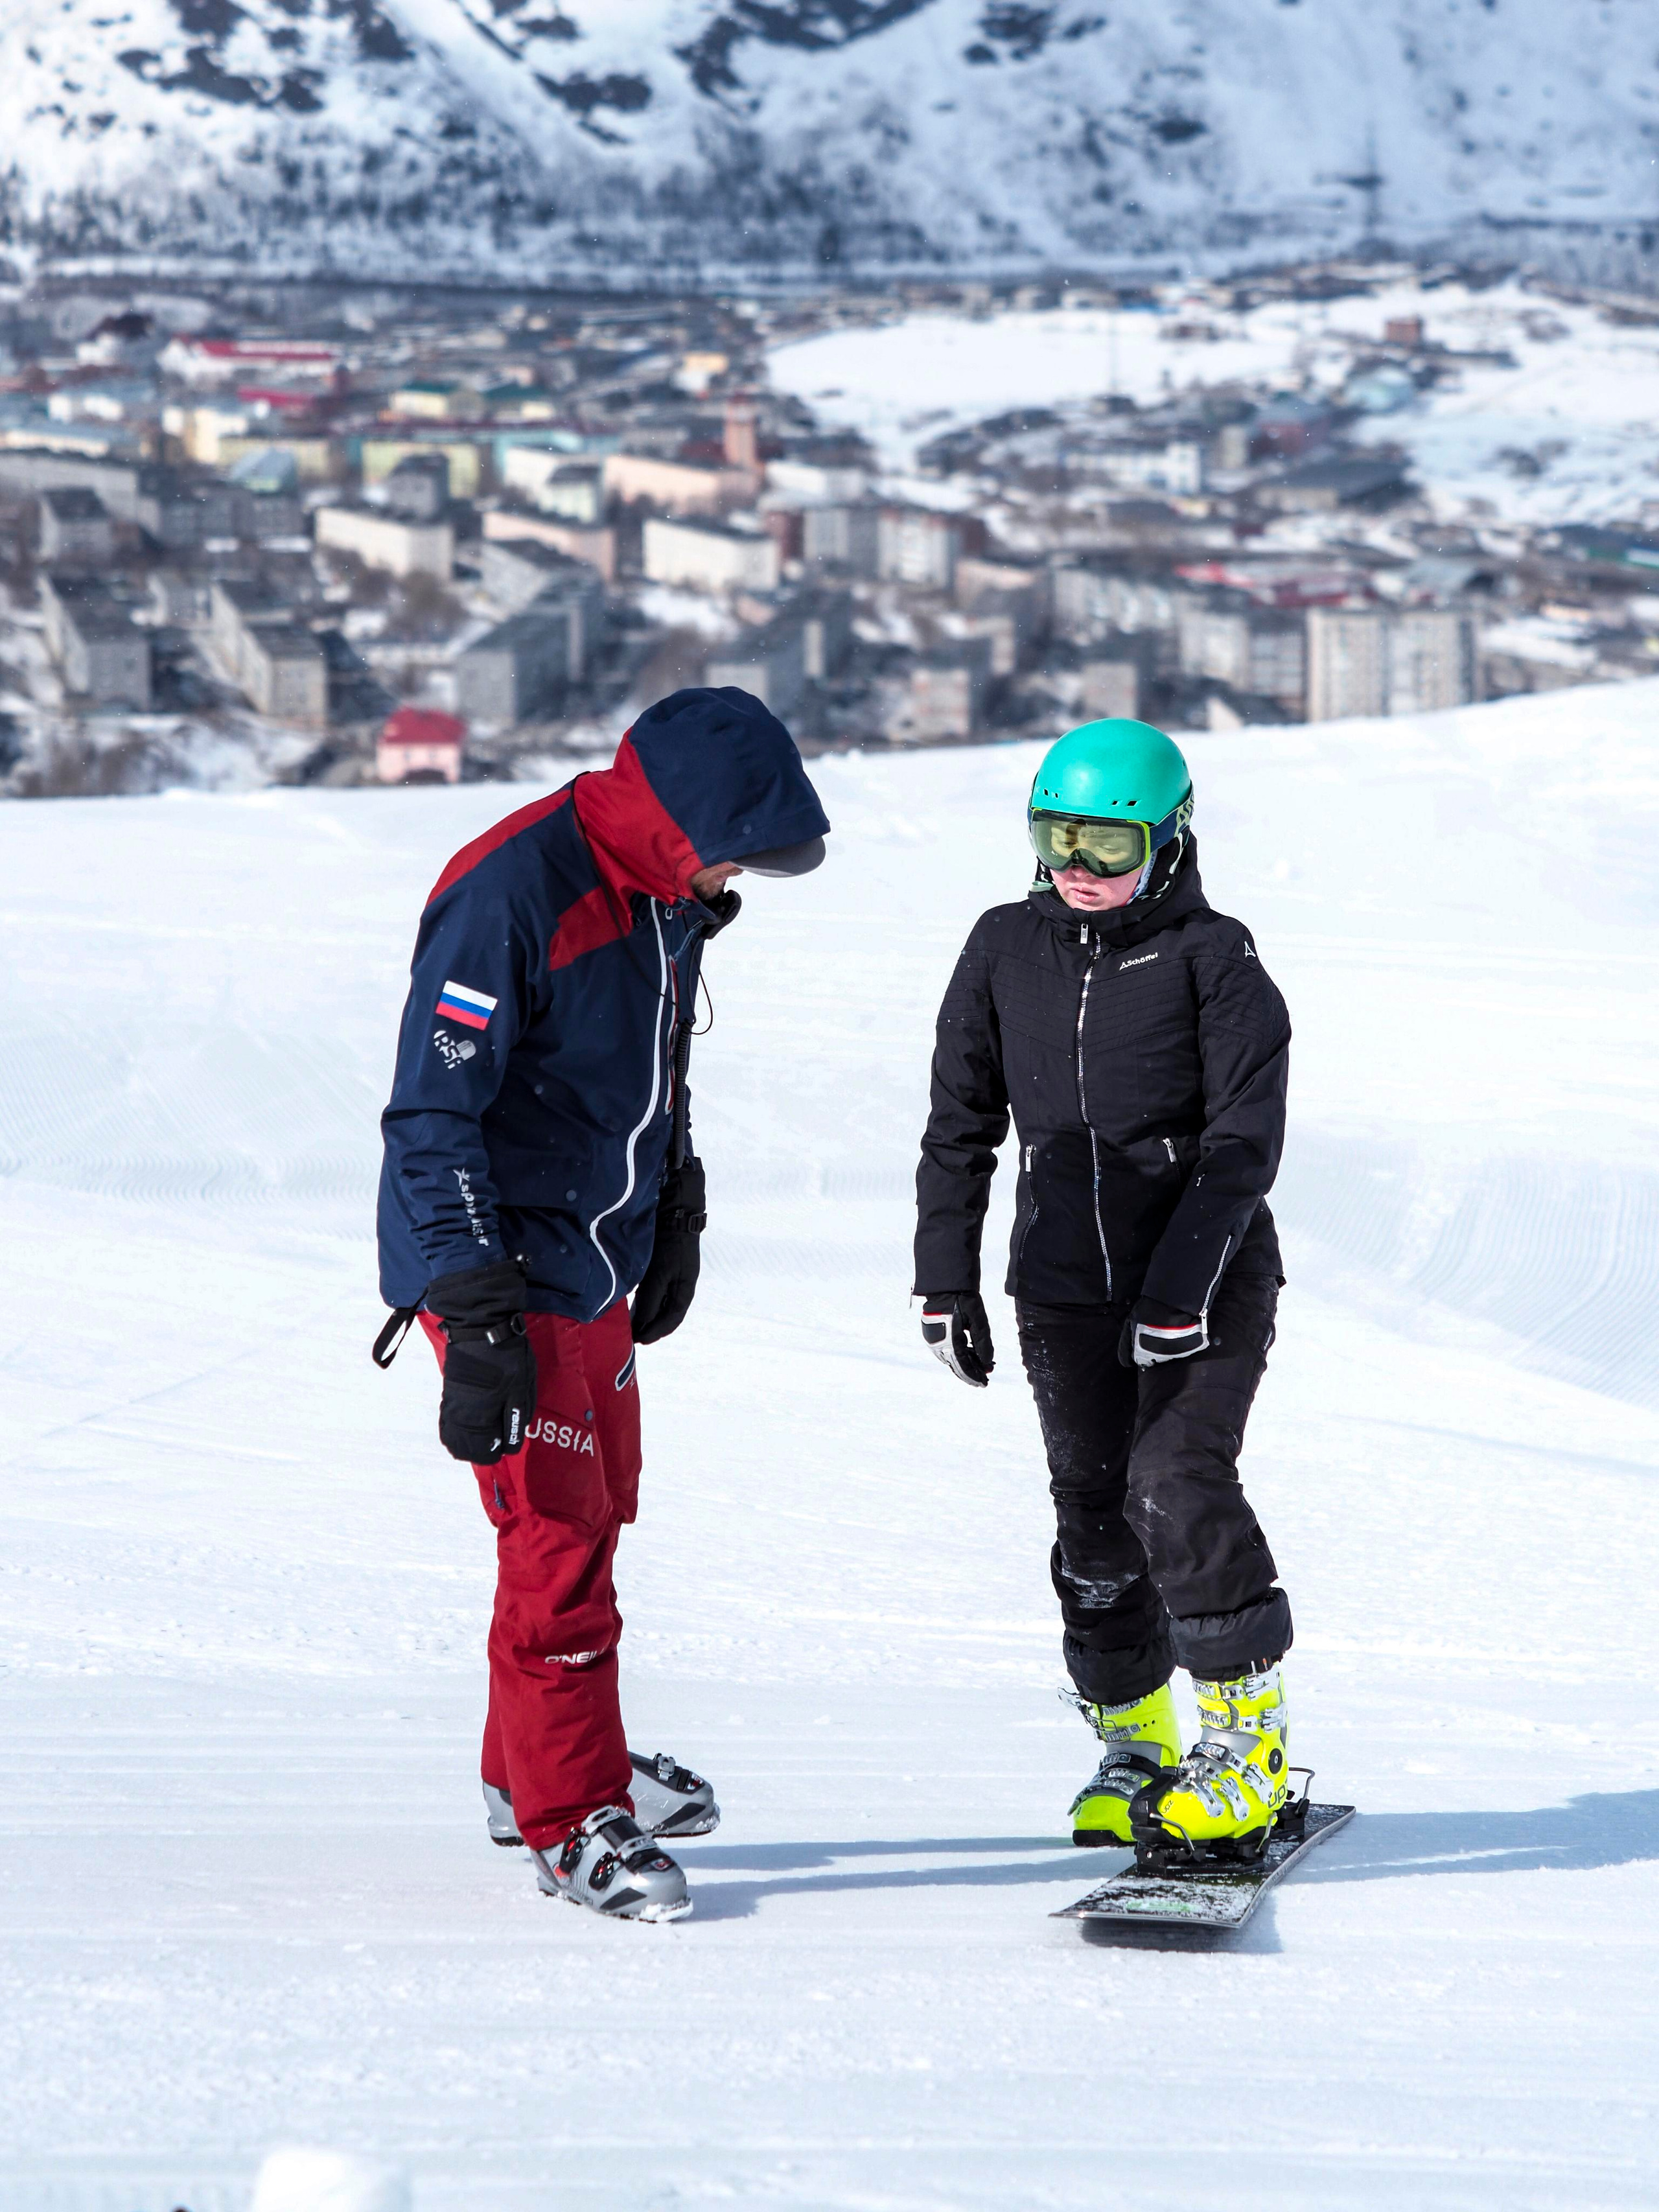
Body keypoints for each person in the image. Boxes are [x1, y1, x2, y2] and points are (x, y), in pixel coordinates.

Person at [375, 687, 830, 1921]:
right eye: (731, 846)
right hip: (501, 1268)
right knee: (557, 1536)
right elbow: (431, 1117)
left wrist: (672, 1203)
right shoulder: (511, 895)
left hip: (593, 1257)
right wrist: (472, 1311)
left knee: (597, 1505)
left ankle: (524, 1767)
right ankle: (572, 1818)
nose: (738, 874)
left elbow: (648, 1070)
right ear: (673, 819)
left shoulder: (666, 896)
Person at [913, 717, 1294, 1859]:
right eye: (1059, 835)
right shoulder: (1000, 948)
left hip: (1207, 1281)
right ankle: (1135, 1744)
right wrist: (946, 1276)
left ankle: (1247, 1747)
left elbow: (1242, 1149)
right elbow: (960, 1127)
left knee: (1174, 1485)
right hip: (1065, 1286)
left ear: (1169, 843)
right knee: (1091, 1519)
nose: (1081, 866)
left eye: (1111, 845)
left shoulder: (1215, 960)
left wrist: (1180, 1289)